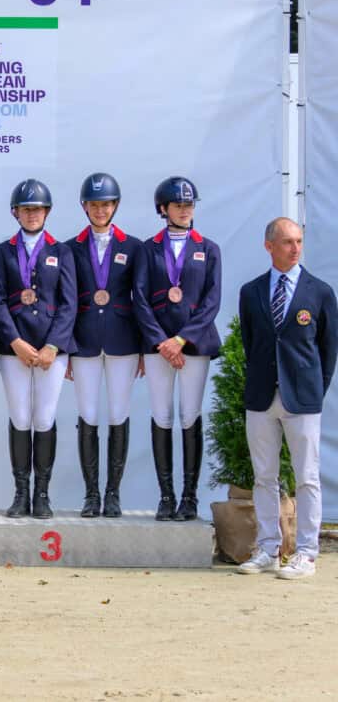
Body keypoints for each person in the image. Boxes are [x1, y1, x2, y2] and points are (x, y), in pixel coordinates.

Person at [236, 218, 337, 579]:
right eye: (287, 242)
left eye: (298, 241)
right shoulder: (251, 291)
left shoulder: (320, 291)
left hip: (303, 398)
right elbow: (251, 342)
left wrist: (313, 389)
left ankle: (306, 552)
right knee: (264, 476)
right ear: (269, 246)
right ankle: (267, 547)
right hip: (262, 395)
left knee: (307, 477)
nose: (295, 248)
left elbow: (328, 349)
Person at [133, 177, 221, 521]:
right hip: (157, 346)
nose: (185, 210)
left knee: (189, 415)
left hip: (193, 345)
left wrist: (181, 339)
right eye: (178, 205)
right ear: (163, 209)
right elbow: (139, 299)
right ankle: (166, 496)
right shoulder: (148, 248)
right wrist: (161, 340)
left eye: (189, 205)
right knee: (161, 415)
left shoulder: (208, 248)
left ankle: (189, 496)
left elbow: (211, 301)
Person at [0, 180, 77, 519]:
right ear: (16, 212)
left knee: (44, 417)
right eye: (26, 209)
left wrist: (53, 345)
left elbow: (69, 303)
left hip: (51, 350)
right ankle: (20, 492)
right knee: (20, 417)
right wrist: (16, 342)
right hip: (15, 348)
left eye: (37, 209)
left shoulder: (62, 251)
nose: (32, 214)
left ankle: (42, 493)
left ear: (47, 212)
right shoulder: (2, 251)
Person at [64, 173, 143, 518]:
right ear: (85, 206)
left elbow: (140, 300)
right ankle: (91, 494)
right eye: (94, 204)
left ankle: (113, 493)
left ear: (115, 206)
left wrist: (142, 348)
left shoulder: (134, 247)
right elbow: (66, 300)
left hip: (122, 342)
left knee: (118, 414)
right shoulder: (70, 248)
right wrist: (65, 348)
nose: (100, 210)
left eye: (106, 204)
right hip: (83, 342)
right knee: (88, 415)